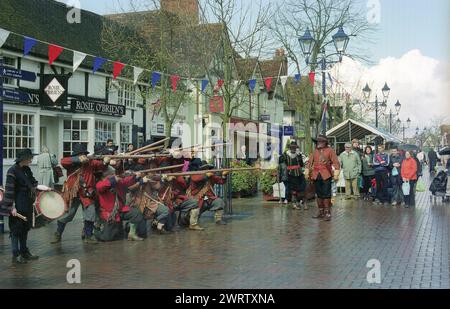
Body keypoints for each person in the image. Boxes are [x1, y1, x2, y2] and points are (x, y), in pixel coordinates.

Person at [51, 143, 110, 244]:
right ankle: (58, 233)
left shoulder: (90, 162)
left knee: (90, 215)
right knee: (68, 215)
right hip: (73, 194)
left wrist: (105, 162)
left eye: (84, 154)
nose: (83, 155)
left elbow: (101, 165)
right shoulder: (71, 162)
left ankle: (88, 236)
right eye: (81, 154)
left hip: (87, 193)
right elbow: (63, 161)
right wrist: (78, 159)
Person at [0, 149, 51, 264]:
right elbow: (9, 191)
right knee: (15, 230)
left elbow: (34, 184)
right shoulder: (12, 171)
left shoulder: (27, 169)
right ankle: (16, 254)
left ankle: (24, 251)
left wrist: (46, 188)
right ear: (23, 159)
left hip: (26, 203)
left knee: (25, 228)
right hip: (17, 204)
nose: (31, 159)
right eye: (30, 158)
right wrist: (11, 207)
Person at [95, 166, 146, 241]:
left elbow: (126, 181)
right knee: (107, 238)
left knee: (136, 213)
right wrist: (113, 180)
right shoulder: (100, 183)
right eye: (112, 174)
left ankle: (132, 234)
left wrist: (136, 176)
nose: (115, 175)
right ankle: (95, 232)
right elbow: (101, 187)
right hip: (110, 214)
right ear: (106, 176)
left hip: (120, 210)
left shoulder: (117, 182)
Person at [304, 135, 340, 221]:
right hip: (316, 175)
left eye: (318, 142)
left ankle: (327, 212)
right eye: (317, 142)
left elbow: (336, 163)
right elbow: (309, 162)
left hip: (326, 175)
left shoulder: (330, 151)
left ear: (323, 143)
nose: (316, 143)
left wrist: (336, 174)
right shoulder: (315, 151)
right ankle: (321, 212)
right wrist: (307, 171)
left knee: (326, 194)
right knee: (319, 194)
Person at [280, 141, 306, 209]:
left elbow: (301, 164)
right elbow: (281, 162)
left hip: (299, 173)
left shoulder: (299, 155)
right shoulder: (285, 155)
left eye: (294, 147)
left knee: (299, 189)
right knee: (292, 189)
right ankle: (294, 203)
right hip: (290, 174)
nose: (293, 149)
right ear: (290, 148)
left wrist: (300, 157)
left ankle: (298, 202)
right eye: (292, 147)